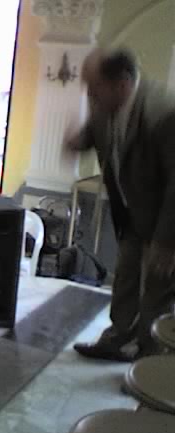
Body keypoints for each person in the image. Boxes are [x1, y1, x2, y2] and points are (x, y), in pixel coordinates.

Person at [67, 48, 175, 361]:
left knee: (157, 291)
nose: (89, 94)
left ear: (122, 84)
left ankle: (150, 362)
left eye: (94, 87)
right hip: (131, 214)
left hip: (165, 219)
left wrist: (167, 242)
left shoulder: (162, 112)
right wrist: (77, 141)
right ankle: (117, 339)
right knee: (125, 278)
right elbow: (94, 133)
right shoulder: (107, 105)